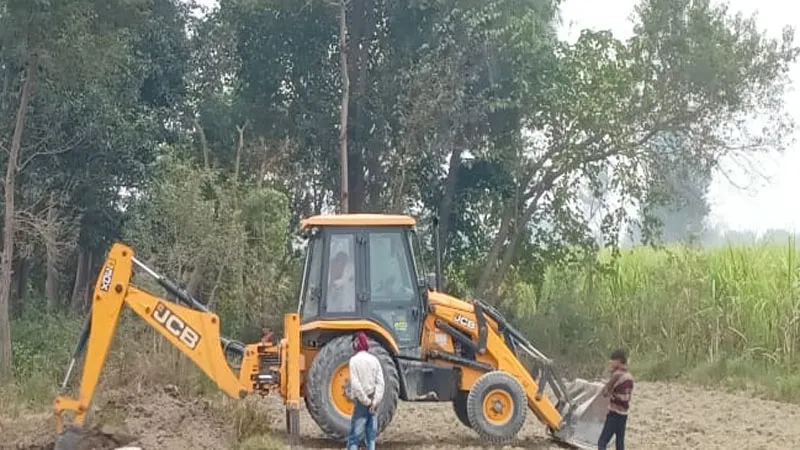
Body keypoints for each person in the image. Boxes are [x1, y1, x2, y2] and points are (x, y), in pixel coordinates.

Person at [347, 331, 385, 450]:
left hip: (362, 402)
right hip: (374, 401)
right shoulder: (375, 360)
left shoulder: (354, 361)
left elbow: (356, 385)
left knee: (354, 437)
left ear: (355, 345)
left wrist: (366, 401)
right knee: (371, 436)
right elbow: (380, 383)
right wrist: (375, 402)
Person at [598, 348, 634, 450]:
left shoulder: (616, 375)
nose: (611, 363)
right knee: (620, 444)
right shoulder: (629, 377)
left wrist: (609, 391)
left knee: (602, 442)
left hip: (614, 414)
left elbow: (605, 392)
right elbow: (626, 397)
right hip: (623, 415)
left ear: (618, 361)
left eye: (613, 360)